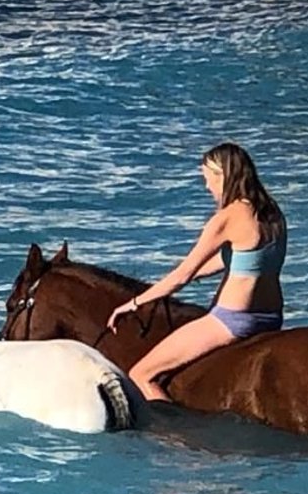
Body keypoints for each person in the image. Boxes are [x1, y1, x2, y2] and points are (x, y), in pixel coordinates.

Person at [106, 142, 286, 402]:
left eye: (207, 178)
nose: (207, 186)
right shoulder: (272, 213)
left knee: (141, 374)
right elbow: (241, 262)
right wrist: (195, 275)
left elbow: (182, 275)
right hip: (271, 316)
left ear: (222, 175)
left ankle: (173, 436)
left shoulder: (227, 218)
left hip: (234, 320)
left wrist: (135, 303)